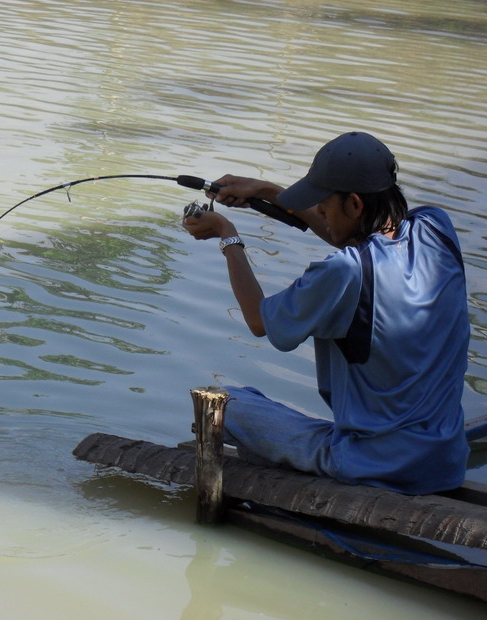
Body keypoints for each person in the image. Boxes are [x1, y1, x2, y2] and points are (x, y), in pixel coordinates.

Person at [182, 131, 470, 495]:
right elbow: (351, 236)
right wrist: (267, 192)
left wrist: (228, 237)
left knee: (230, 405)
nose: (317, 211)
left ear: (353, 203)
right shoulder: (436, 226)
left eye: (323, 203)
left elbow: (259, 322)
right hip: (445, 461)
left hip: (373, 465)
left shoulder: (344, 271)